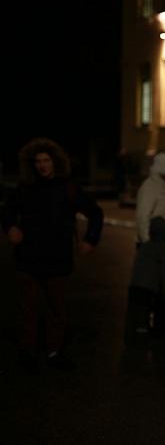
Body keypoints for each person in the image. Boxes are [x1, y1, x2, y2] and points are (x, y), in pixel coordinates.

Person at [2, 138, 103, 373]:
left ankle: (54, 351)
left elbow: (95, 212)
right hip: (28, 259)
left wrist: (91, 239)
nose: (42, 166)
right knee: (27, 309)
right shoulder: (24, 187)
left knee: (56, 309)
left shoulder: (68, 187)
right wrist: (10, 228)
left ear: (55, 162)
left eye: (46, 160)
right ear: (32, 164)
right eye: (37, 162)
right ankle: (27, 352)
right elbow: (6, 211)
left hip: (58, 259)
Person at [135, 153, 165, 324]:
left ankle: (162, 320)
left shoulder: (164, 187)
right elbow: (142, 216)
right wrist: (146, 242)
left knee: (164, 285)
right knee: (154, 286)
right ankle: (153, 322)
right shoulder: (150, 187)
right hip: (153, 246)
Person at [125, 216, 165, 341]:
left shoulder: (144, 247)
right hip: (149, 289)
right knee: (150, 311)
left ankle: (133, 334)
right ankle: (150, 335)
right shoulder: (164, 250)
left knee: (136, 313)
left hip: (135, 287)